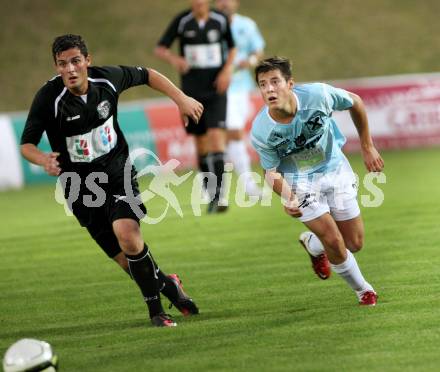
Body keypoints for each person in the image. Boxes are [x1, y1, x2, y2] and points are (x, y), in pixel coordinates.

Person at [20, 34, 204, 327]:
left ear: (87, 61)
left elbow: (147, 74)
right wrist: (42, 159)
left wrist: (180, 99)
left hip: (118, 173)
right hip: (80, 188)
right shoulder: (48, 98)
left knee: (129, 236)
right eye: (62, 63)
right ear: (56, 67)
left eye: (76, 61)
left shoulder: (107, 80)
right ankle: (170, 287)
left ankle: (157, 312)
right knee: (125, 260)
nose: (70, 69)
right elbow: (26, 144)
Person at [251, 57, 384, 306]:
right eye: (262, 84)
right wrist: (288, 196)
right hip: (300, 183)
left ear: (290, 83)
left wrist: (367, 146)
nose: (269, 89)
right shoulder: (261, 130)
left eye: (275, 82)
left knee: (354, 243)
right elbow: (270, 172)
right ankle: (364, 291)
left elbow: (355, 102)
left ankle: (313, 244)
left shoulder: (318, 95)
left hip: (335, 170)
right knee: (334, 240)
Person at [154, 0, 236, 213]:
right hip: (191, 92)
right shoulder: (182, 21)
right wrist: (175, 60)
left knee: (217, 137)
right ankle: (211, 195)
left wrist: (227, 71)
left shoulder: (220, 19)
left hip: (217, 89)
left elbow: (233, 47)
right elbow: (160, 48)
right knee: (201, 142)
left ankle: (221, 196)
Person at [215, 0, 265, 197]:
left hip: (243, 87)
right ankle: (248, 186)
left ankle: (216, 186)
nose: (224, 3)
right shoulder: (212, 26)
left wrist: (251, 61)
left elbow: (257, 49)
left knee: (229, 137)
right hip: (221, 88)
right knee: (234, 133)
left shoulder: (247, 25)